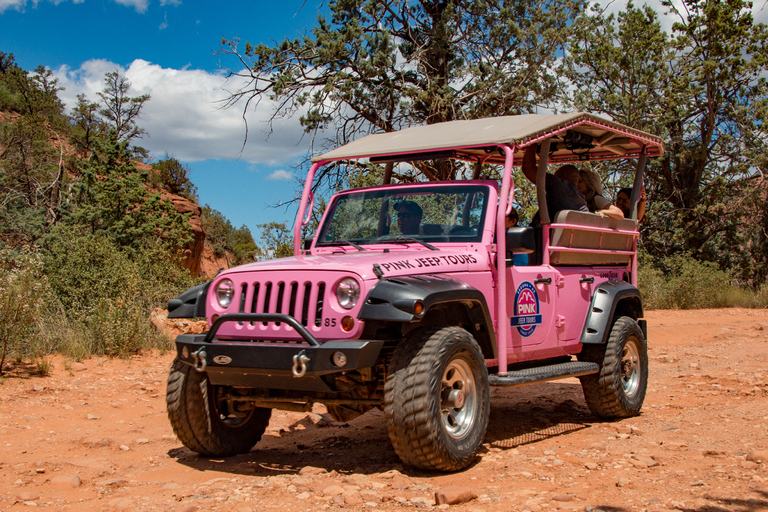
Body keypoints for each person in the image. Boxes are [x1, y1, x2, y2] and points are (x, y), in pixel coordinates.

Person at [521, 145, 588, 224]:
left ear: (564, 177)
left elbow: (529, 169)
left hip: (541, 235)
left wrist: (532, 145)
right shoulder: (581, 202)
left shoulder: (560, 186)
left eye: (556, 176)